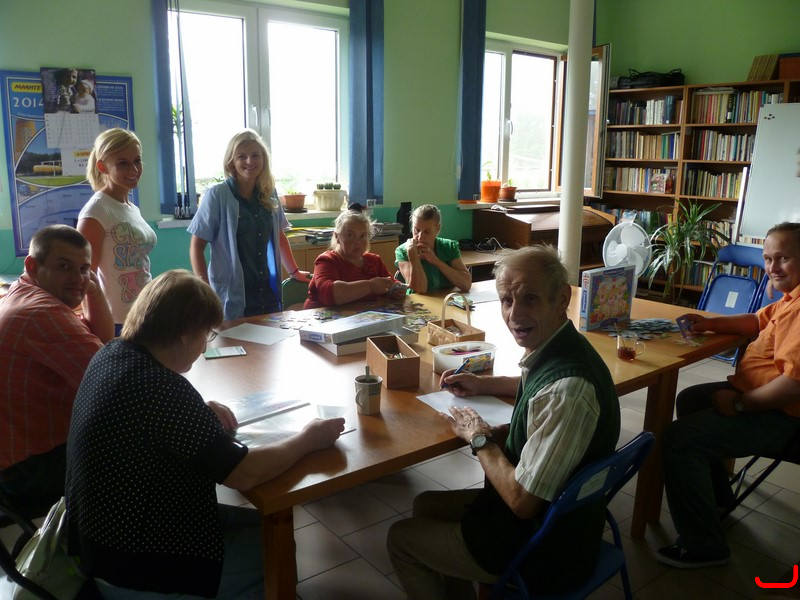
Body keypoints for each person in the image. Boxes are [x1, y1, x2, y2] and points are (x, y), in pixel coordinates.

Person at [65, 269, 345, 599]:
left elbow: (149, 419)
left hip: (96, 539)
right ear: (185, 333)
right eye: (205, 335)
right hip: (131, 563)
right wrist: (308, 438)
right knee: (273, 547)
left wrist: (197, 410)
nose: (203, 347)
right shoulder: (162, 389)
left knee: (264, 523)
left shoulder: (112, 353)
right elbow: (244, 474)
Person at [387, 245, 621, 598]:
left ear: (561, 299)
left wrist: (480, 438)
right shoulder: (562, 346)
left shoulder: (567, 391)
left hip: (544, 548)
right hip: (556, 518)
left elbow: (522, 502)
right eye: (506, 300)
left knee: (400, 538)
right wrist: (483, 384)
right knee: (425, 505)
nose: (514, 314)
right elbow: (536, 389)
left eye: (530, 299)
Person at [658, 222, 800, 569]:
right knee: (691, 400)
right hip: (762, 399)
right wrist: (709, 323)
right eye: (768, 258)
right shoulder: (790, 299)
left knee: (678, 439)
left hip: (782, 416)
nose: (773, 267)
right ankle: (718, 498)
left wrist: (739, 404)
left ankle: (705, 546)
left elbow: (792, 387)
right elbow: (756, 321)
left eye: (783, 258)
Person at [0, 225, 113, 514]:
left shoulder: (22, 291)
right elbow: (113, 379)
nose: (78, 278)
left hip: (17, 458)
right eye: (64, 267)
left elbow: (102, 341)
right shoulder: (41, 313)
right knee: (150, 451)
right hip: (28, 471)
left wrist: (91, 286)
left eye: (84, 268)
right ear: (32, 266)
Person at [188, 128, 310, 320]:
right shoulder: (217, 195)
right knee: (232, 338)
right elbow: (196, 247)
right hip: (231, 294)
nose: (249, 161)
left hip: (266, 293)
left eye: (255, 155)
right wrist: (205, 289)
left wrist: (294, 271)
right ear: (231, 161)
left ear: (264, 159)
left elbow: (278, 235)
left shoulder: (269, 193)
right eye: (242, 156)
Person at [78, 128, 157, 333]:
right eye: (122, 163)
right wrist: (95, 326)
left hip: (144, 311)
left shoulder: (132, 208)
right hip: (115, 321)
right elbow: (84, 277)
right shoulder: (97, 211)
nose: (134, 169)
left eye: (137, 161)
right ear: (102, 166)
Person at [304, 210, 405, 309]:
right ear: (337, 237)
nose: (357, 242)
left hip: (363, 317)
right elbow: (328, 294)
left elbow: (390, 283)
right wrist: (370, 286)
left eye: (363, 236)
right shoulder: (327, 261)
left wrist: (395, 290)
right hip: (324, 318)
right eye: (350, 235)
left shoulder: (374, 261)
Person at [395, 204, 471, 294]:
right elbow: (420, 289)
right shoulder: (403, 251)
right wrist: (413, 256)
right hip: (419, 301)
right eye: (417, 230)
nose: (420, 237)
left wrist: (436, 261)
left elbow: (466, 284)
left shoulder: (448, 247)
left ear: (438, 229)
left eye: (427, 232)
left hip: (446, 299)